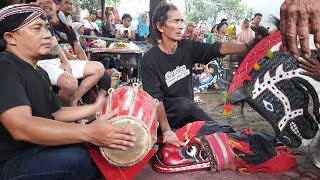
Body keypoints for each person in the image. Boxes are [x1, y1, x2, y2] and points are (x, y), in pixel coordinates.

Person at [0, 4, 136, 179]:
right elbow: (20, 127)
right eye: (36, 29)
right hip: (10, 162)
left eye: (47, 28)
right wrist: (89, 132)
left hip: (35, 149)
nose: (47, 35)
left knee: (91, 148)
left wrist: (98, 108)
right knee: (77, 159)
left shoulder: (39, 71)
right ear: (11, 37)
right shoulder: (5, 67)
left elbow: (56, 113)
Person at [142, 4, 256, 147]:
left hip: (189, 109)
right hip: (165, 117)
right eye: (175, 21)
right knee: (184, 105)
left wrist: (249, 48)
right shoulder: (150, 59)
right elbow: (156, 100)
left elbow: (218, 48)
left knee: (220, 131)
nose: (180, 26)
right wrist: (166, 130)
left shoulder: (188, 47)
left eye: (181, 21)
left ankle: (245, 141)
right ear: (160, 26)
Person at [38, 0, 105, 107]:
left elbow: (54, 43)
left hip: (58, 60)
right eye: (41, 2)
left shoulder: (52, 22)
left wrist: (68, 61)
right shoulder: (30, 18)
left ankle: (75, 101)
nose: (44, 4)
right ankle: (68, 110)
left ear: (57, 6)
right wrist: (66, 60)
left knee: (100, 68)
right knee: (70, 83)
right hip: (43, 62)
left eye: (48, 2)